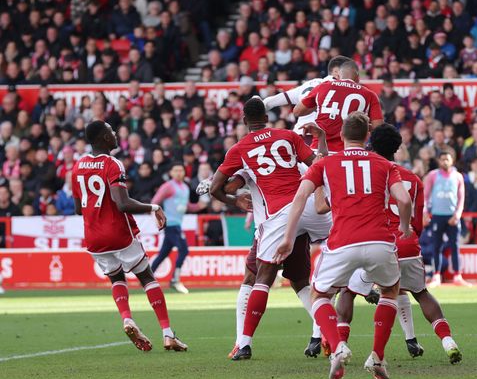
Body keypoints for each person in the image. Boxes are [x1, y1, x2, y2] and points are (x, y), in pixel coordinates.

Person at [275, 112, 412, 379]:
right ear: (367, 135)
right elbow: (404, 200)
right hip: (379, 241)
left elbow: (300, 198)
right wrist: (405, 227)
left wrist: (288, 237)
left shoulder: (325, 163)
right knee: (390, 291)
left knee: (319, 295)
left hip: (342, 241)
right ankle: (377, 357)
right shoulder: (384, 164)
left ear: (342, 134)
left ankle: (338, 346)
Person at [327, 124, 462, 363]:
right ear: (398, 148)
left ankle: (342, 344)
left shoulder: (368, 173)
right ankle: (447, 340)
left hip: (376, 242)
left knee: (348, 290)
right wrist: (408, 233)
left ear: (371, 143)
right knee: (421, 293)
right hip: (407, 244)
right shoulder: (413, 179)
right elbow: (417, 222)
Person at [209, 97, 330, 361]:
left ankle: (244, 343)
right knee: (309, 273)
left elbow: (217, 188)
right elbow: (318, 165)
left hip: (278, 217)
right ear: (267, 116)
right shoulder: (288, 136)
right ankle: (348, 301)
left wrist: (234, 200)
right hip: (308, 205)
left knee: (260, 277)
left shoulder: (240, 149)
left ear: (244, 121)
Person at [71, 120, 187, 352]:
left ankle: (127, 319)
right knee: (147, 278)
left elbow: (77, 208)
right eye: (111, 131)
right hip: (118, 233)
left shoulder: (77, 166)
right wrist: (153, 208)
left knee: (116, 278)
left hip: (94, 238)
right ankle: (167, 333)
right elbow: (122, 204)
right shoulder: (113, 164)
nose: (115, 134)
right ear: (104, 138)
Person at [295, 59, 384, 152]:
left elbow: (297, 111)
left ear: (338, 76)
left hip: (319, 149)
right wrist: (362, 125)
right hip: (348, 152)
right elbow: (379, 128)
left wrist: (319, 104)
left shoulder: (323, 86)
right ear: (358, 78)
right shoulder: (369, 94)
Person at [149, 163, 201, 293]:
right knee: (183, 250)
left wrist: (198, 206)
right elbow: (154, 202)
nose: (178, 173)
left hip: (176, 224)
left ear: (184, 172)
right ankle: (175, 280)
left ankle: (148, 279)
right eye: (176, 170)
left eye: (181, 170)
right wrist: (159, 219)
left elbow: (186, 206)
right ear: (171, 173)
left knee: (163, 254)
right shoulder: (168, 186)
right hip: (171, 225)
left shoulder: (184, 187)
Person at [423, 149, 470, 287]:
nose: (445, 161)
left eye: (447, 159)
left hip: (452, 217)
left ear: (452, 160)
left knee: (455, 246)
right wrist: (426, 212)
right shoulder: (432, 175)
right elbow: (425, 196)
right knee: (436, 246)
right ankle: (436, 276)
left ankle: (457, 275)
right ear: (438, 161)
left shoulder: (458, 177)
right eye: (442, 159)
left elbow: (461, 198)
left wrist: (457, 215)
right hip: (437, 215)